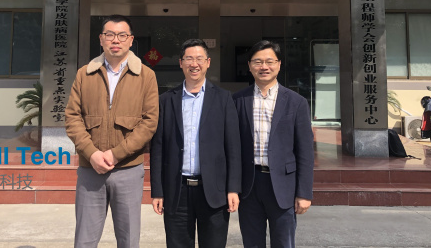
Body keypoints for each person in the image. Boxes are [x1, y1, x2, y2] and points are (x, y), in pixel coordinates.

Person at [65, 15, 159, 248]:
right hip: (90, 168)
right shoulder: (84, 74)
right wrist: (92, 153)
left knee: (128, 239)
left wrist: (116, 154)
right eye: (109, 35)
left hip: (128, 169)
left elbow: (149, 122)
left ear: (131, 40)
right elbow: (72, 117)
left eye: (122, 35)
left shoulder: (146, 76)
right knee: (85, 240)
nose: (115, 40)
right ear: (101, 39)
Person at [150, 39, 242, 248]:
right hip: (177, 191)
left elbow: (233, 148)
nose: (194, 64)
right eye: (189, 59)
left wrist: (233, 189)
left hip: (214, 191)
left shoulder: (224, 99)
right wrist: (158, 191)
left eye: (199, 59)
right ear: (180, 63)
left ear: (208, 62)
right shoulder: (166, 100)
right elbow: (158, 148)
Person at [233, 40, 314, 248]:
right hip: (249, 185)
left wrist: (304, 192)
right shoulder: (237, 100)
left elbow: (305, 151)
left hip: (283, 185)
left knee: (283, 242)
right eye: (257, 62)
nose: (264, 67)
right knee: (252, 243)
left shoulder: (296, 102)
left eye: (269, 61)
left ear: (279, 64)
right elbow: (231, 148)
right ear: (249, 65)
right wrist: (231, 188)